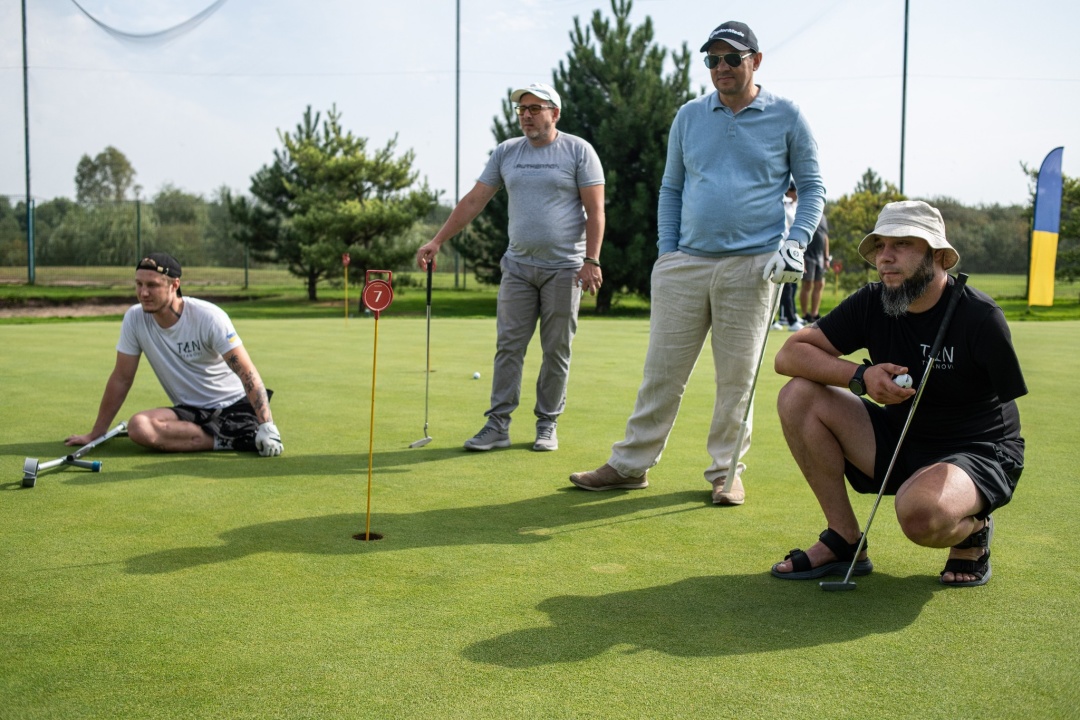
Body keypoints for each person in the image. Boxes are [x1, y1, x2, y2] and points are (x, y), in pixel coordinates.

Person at [569, 21, 825, 505]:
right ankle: (630, 465)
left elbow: (812, 188)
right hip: (686, 264)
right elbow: (672, 188)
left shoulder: (788, 115)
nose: (721, 68)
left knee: (737, 380)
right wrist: (669, 252)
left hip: (752, 266)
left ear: (756, 60)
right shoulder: (689, 116)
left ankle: (726, 474)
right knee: (661, 373)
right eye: (712, 59)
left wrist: (796, 241)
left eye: (731, 58)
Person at [770, 201, 1026, 586]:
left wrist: (973, 481)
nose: (885, 258)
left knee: (919, 516)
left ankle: (973, 529)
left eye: (902, 244)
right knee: (797, 396)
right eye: (880, 246)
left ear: (939, 256)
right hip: (900, 439)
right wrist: (861, 375)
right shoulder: (872, 301)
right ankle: (844, 540)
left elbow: (1007, 415)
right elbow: (789, 354)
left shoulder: (981, 317)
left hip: (975, 452)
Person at [415, 82, 605, 453]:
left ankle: (547, 423)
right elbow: (474, 201)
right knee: (508, 348)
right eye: (521, 109)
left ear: (555, 113)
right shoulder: (506, 153)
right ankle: (497, 424)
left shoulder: (579, 151)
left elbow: (595, 211)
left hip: (564, 268)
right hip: (518, 266)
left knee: (556, 350)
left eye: (535, 108)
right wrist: (437, 240)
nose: (526, 115)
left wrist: (591, 260)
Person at [66, 253, 283, 457]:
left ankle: (244, 430)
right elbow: (122, 378)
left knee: (145, 428)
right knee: (139, 427)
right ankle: (233, 440)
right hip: (190, 411)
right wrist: (97, 432)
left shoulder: (209, 317)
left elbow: (246, 371)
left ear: (174, 285)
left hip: (234, 407)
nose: (143, 293)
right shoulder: (134, 318)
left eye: (152, 285)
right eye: (139, 284)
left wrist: (267, 424)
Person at [773, 182, 803, 332]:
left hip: (787, 250)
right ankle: (788, 320)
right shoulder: (782, 204)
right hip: (776, 249)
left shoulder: (790, 205)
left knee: (787, 286)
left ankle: (784, 319)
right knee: (783, 287)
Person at [799, 204, 831, 324]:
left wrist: (826, 257)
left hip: (820, 257)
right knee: (807, 284)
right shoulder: (806, 212)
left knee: (819, 284)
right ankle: (804, 315)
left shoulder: (823, 217)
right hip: (808, 255)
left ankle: (814, 314)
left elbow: (825, 237)